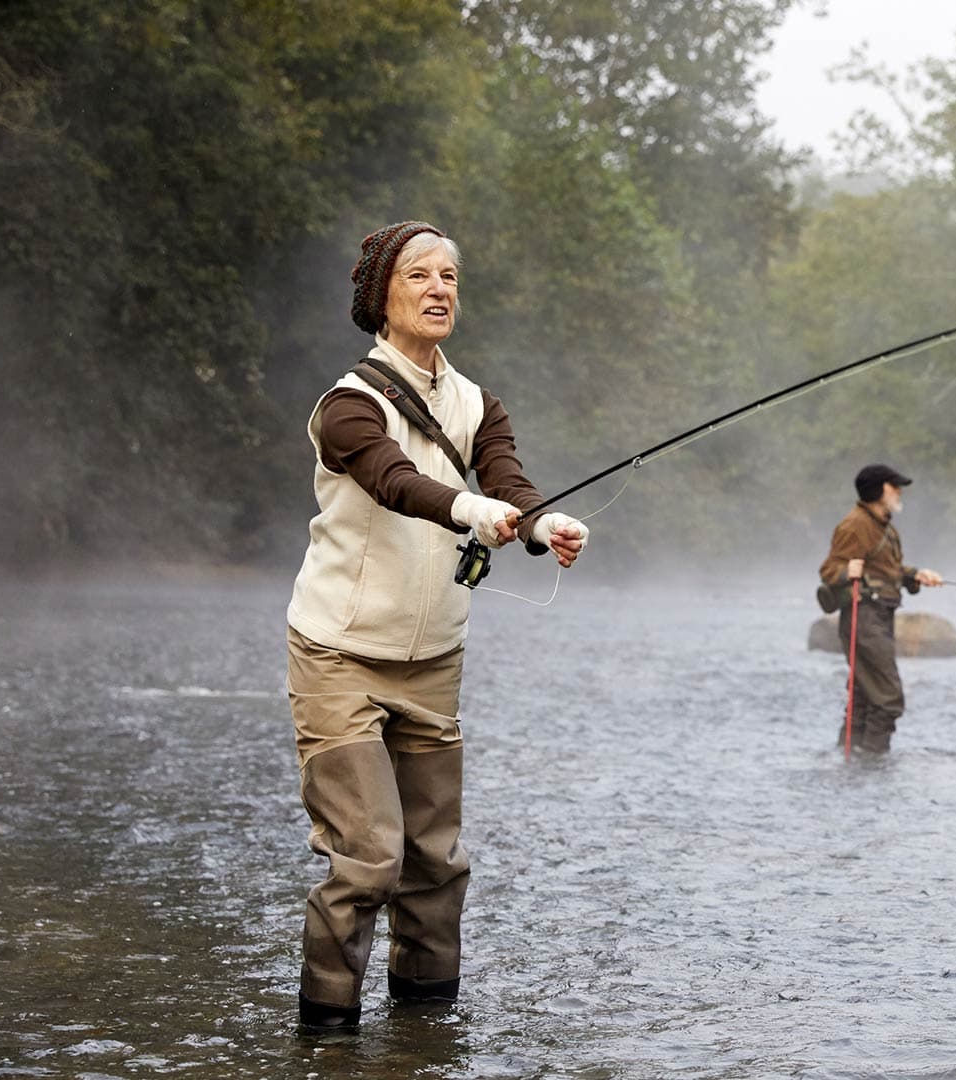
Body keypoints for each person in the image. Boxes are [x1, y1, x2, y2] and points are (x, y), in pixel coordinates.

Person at [283, 221, 589, 1032]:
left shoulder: (480, 403)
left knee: (436, 865)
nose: (440, 288)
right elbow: (394, 481)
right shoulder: (345, 406)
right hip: (338, 656)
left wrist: (539, 525)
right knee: (369, 859)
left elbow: (508, 483)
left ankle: (425, 1032)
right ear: (381, 296)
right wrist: (474, 509)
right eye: (420, 274)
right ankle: (326, 1033)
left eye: (450, 275)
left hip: (433, 661)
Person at [817, 464, 944, 753]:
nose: (899, 491)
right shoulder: (855, 525)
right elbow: (829, 569)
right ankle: (874, 764)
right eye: (893, 486)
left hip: (878, 615)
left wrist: (916, 575)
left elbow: (887, 570)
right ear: (878, 490)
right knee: (888, 698)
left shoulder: (881, 526)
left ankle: (852, 764)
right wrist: (845, 570)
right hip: (864, 618)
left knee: (864, 695)